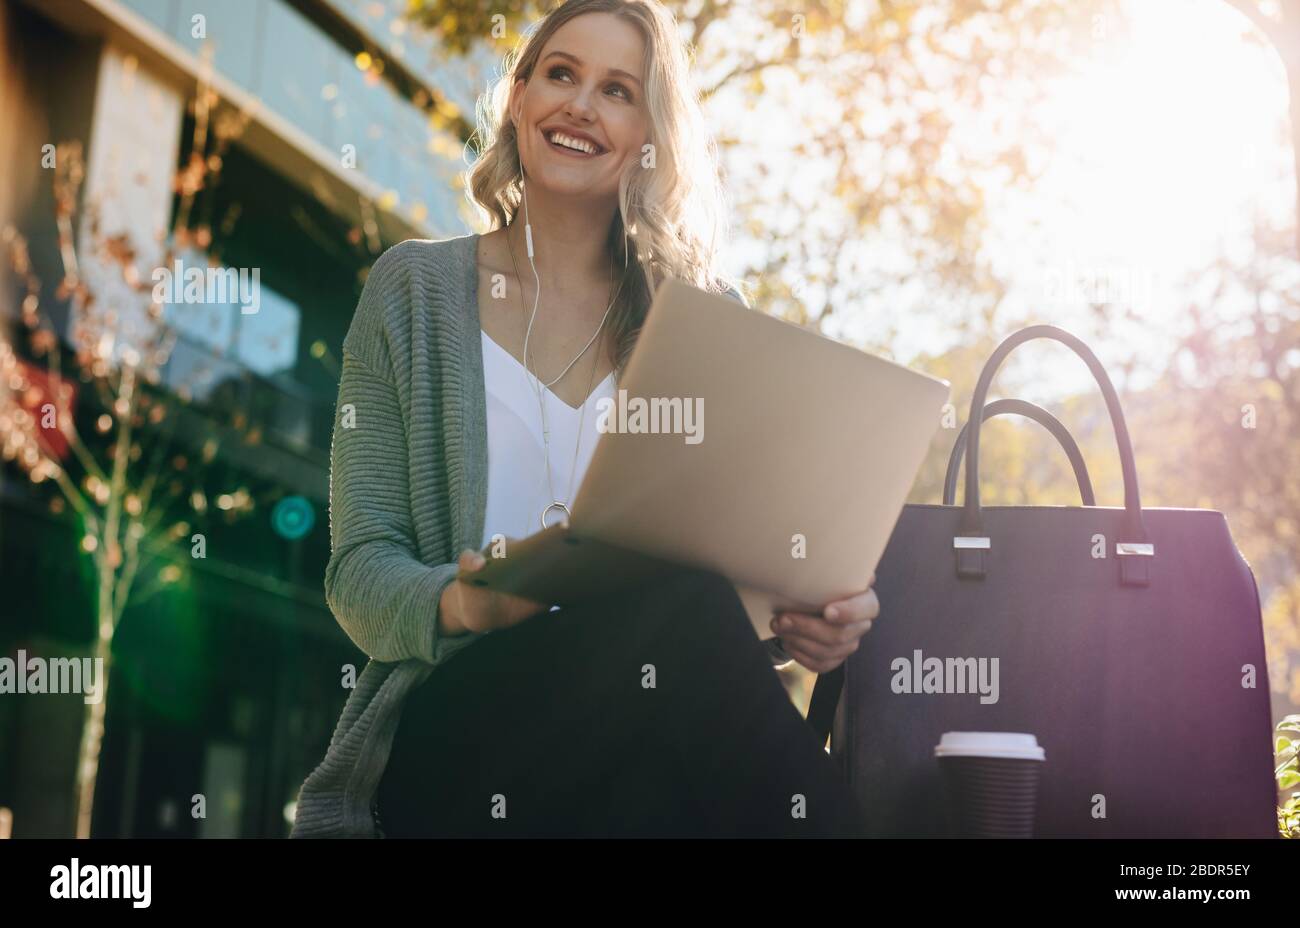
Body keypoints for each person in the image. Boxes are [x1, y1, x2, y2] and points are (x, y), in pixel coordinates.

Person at [291, 0, 878, 839]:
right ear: (520, 96)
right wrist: (466, 605)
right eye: (560, 74)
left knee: (687, 626)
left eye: (618, 90)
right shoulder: (413, 294)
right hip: (462, 730)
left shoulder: (704, 319)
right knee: (678, 598)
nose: (580, 105)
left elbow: (734, 593)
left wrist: (803, 625)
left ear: (650, 134)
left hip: (649, 734)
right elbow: (358, 572)